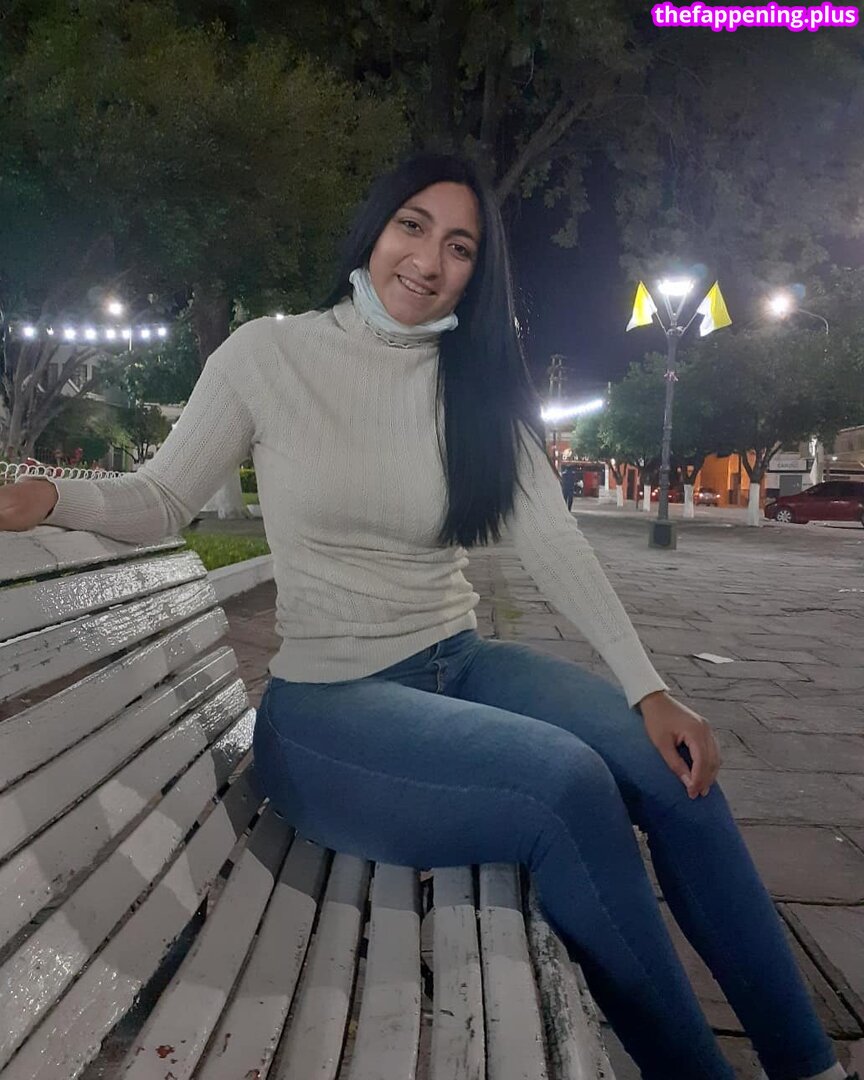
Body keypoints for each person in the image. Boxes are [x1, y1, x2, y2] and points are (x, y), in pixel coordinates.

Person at [0, 153, 851, 1080]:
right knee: (564, 787)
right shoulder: (266, 356)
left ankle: (808, 1066)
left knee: (674, 766)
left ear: (477, 272)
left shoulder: (474, 383)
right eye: (412, 226)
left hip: (459, 661)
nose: (428, 260)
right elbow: (164, 497)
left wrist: (649, 687)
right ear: (373, 228)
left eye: (460, 246)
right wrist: (52, 497)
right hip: (329, 709)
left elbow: (552, 540)